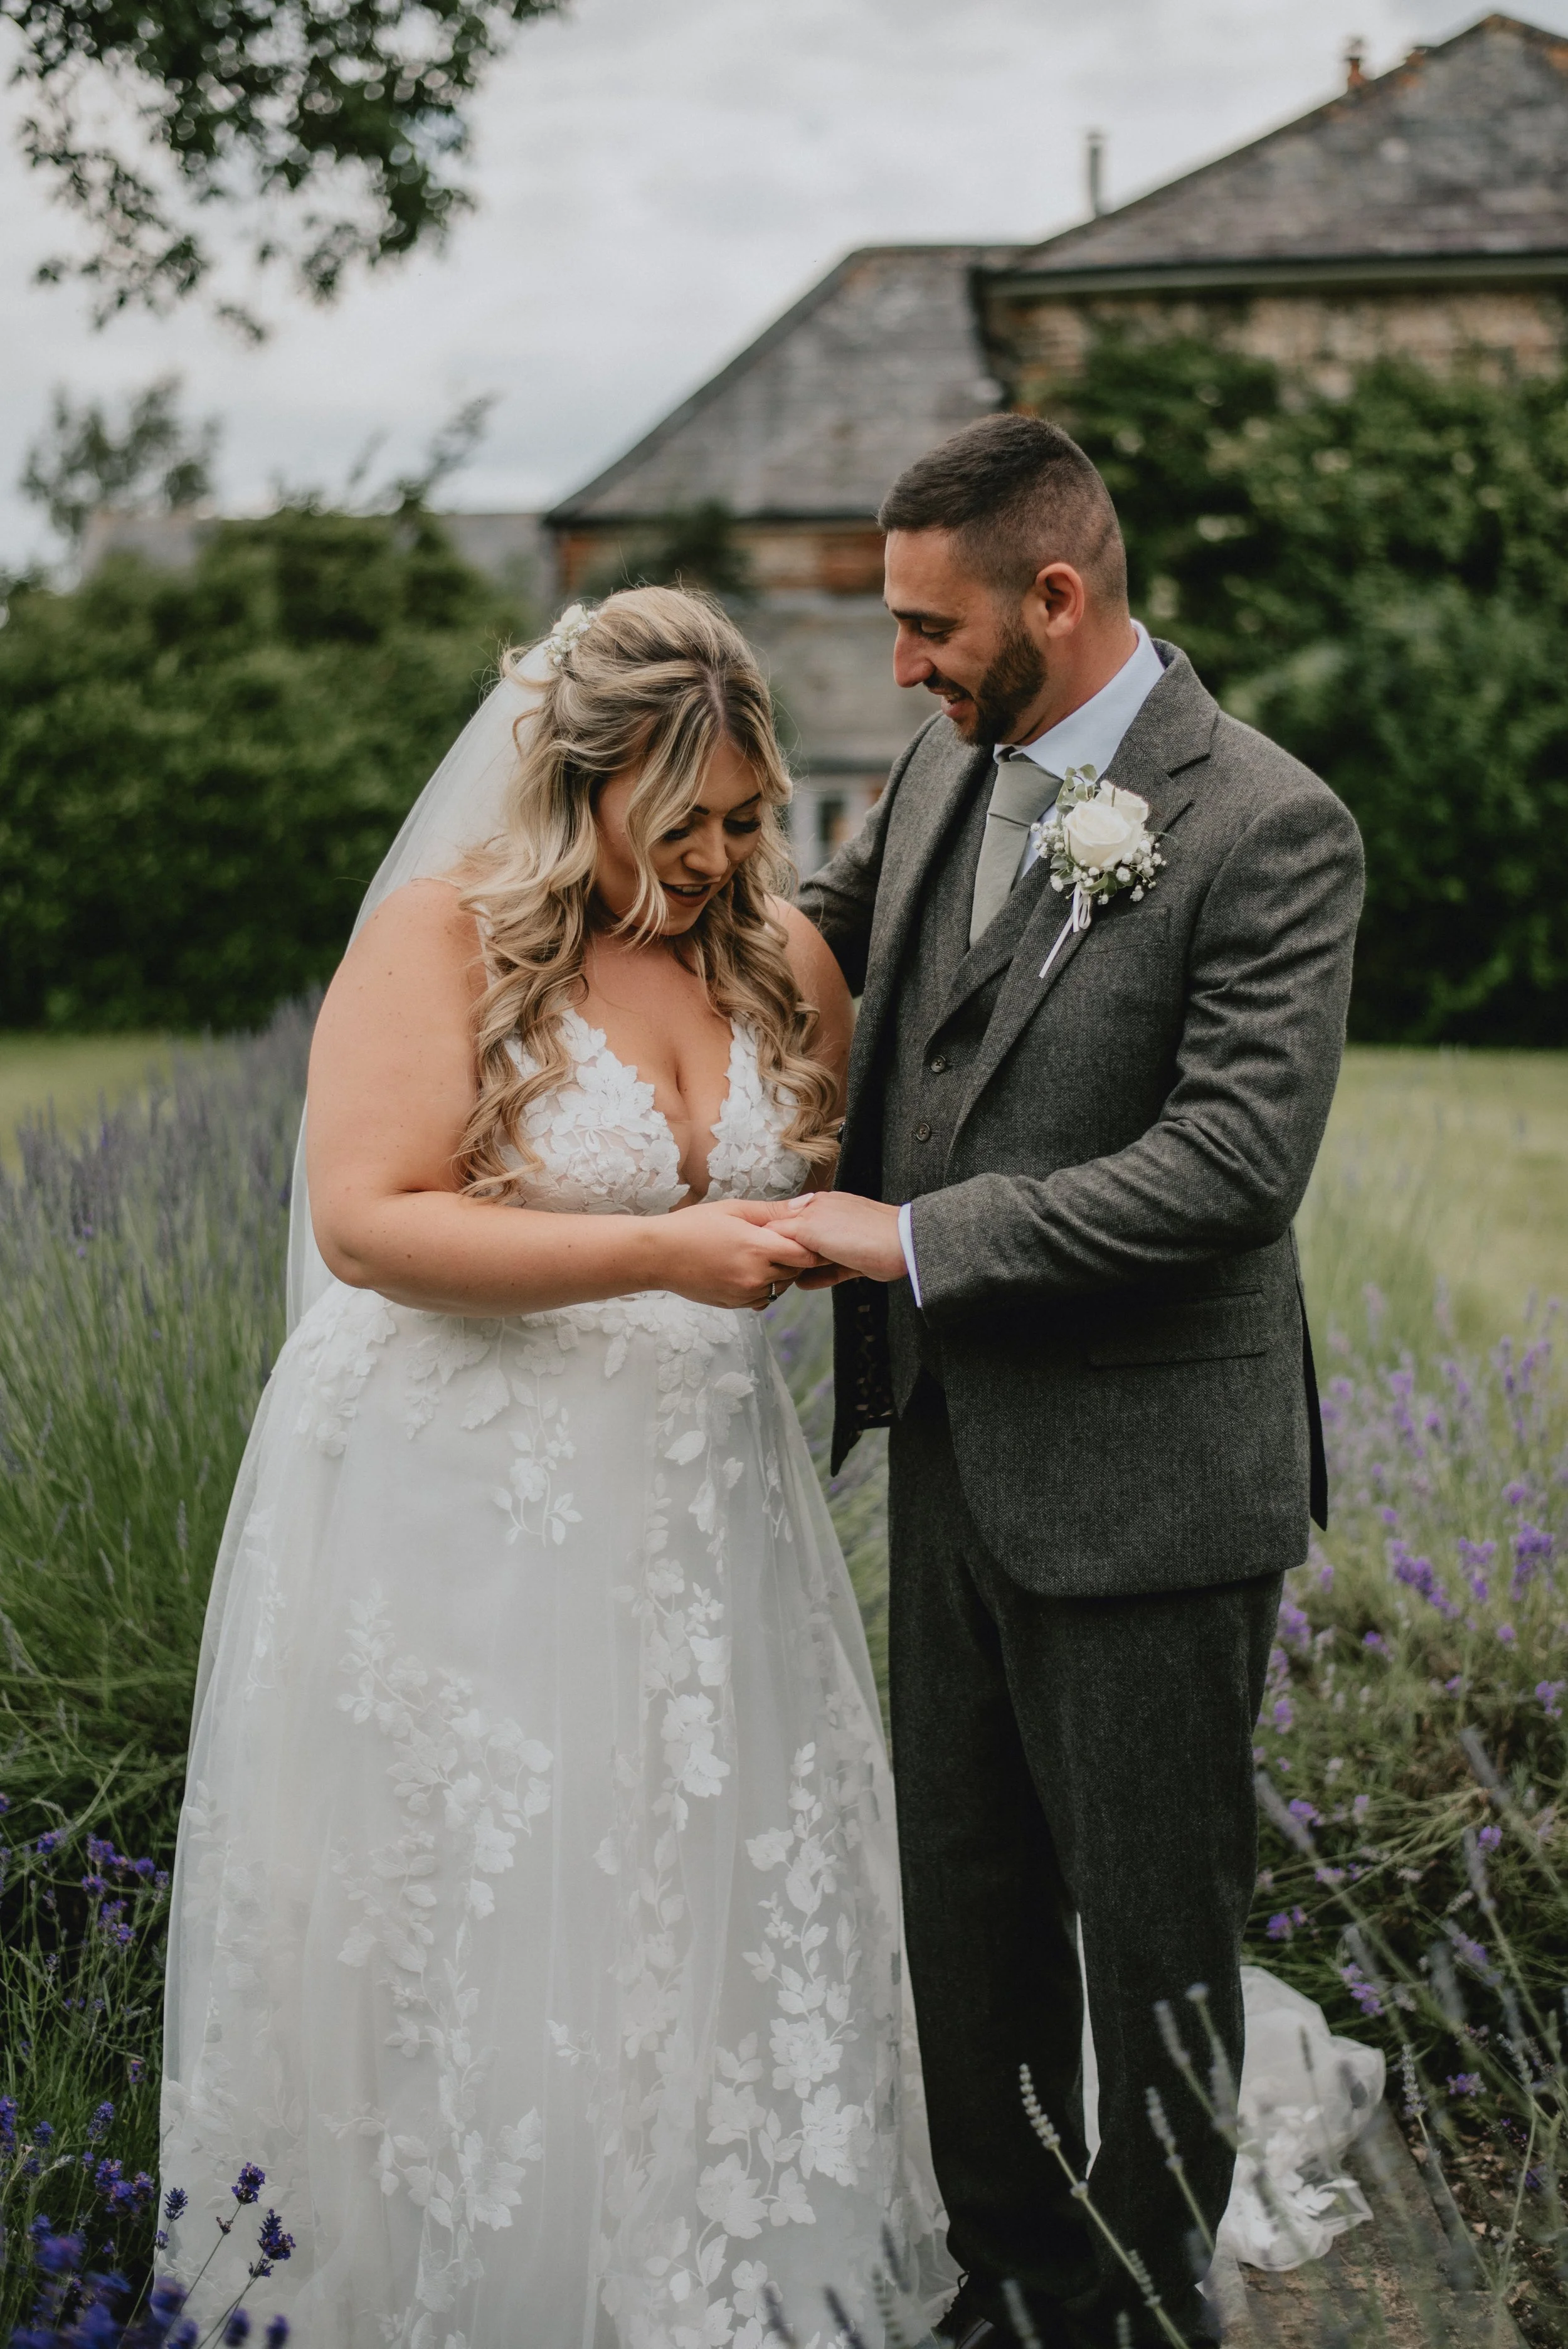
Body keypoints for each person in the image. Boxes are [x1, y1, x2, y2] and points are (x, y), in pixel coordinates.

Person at [161, 587, 955, 2348]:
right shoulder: (443, 939)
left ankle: (709, 2267)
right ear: (576, 785)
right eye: (682, 826)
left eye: (750, 820)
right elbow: (369, 1226)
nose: (725, 859)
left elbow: (812, 1171)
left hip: (696, 1503)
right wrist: (666, 1257)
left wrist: (813, 1238)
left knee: (696, 1868)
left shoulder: (780, 956)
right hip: (463, 1497)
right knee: (492, 1894)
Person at [771, 415, 1365, 2348]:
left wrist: (915, 1241)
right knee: (967, 1895)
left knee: (1151, 1931)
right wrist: (602, 934)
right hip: (950, 1444)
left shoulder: (1269, 824)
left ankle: (1130, 2301)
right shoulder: (953, 771)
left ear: (1055, 594)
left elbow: (1226, 1165)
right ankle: (1009, 2270)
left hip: (1150, 1480)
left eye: (930, 628)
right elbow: (827, 948)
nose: (903, 668)